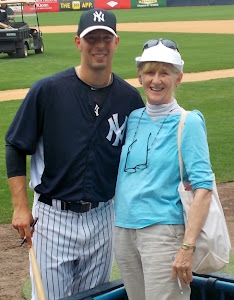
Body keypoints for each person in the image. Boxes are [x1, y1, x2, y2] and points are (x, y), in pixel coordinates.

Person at [5, 8, 144, 300]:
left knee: (94, 297)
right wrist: (19, 207)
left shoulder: (129, 98)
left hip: (103, 215)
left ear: (116, 42)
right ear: (78, 43)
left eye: (105, 37)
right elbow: (16, 146)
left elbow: (137, 159)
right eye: (91, 38)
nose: (99, 45)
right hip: (53, 217)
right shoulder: (48, 90)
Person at [114, 38, 214, 300]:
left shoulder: (188, 121)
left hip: (164, 233)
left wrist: (187, 247)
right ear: (139, 76)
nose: (155, 80)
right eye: (149, 72)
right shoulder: (133, 118)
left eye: (164, 73)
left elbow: (204, 188)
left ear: (178, 78)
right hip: (124, 230)